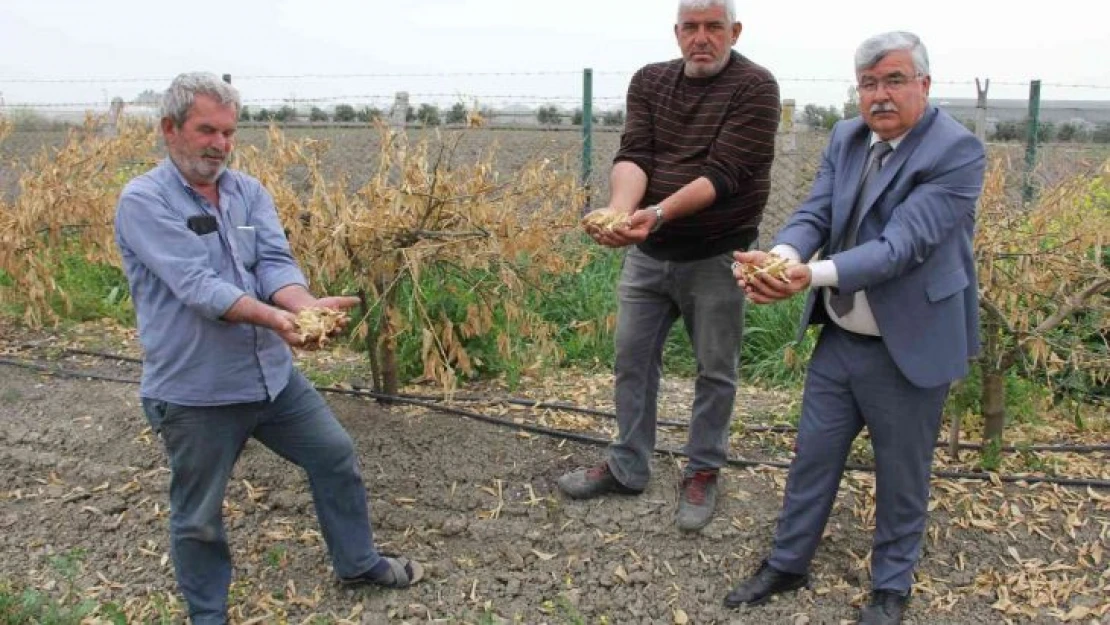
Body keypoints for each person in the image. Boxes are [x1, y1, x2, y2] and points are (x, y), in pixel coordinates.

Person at [114, 73, 422, 625]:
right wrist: (279, 319)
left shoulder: (247, 192)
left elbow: (275, 264)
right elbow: (198, 286)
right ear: (169, 129)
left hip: (271, 379)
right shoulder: (143, 201)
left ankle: (356, 563)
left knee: (334, 456)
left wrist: (302, 307)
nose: (220, 144)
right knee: (199, 516)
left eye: (229, 132)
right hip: (197, 391)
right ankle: (208, 616)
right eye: (207, 130)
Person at [722, 32, 985, 624]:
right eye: (868, 83)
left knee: (902, 472)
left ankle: (890, 587)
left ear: (924, 84)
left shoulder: (956, 152)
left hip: (910, 343)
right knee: (812, 457)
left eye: (894, 80)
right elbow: (817, 210)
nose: (880, 96)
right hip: (842, 337)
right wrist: (783, 255)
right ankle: (788, 563)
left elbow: (901, 246)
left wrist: (807, 275)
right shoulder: (846, 137)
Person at [556, 0, 780, 532]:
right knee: (632, 361)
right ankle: (628, 464)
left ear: (735, 31)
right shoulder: (650, 81)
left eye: (713, 27)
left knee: (715, 371)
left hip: (718, 253)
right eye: (691, 27)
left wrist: (653, 214)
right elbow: (636, 155)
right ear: (677, 32)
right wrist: (620, 212)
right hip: (649, 255)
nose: (701, 37)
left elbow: (725, 173)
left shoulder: (755, 87)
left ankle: (703, 470)